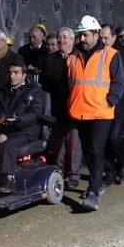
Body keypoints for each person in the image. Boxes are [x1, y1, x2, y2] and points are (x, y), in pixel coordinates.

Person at [67, 15, 124, 210]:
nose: (81, 39)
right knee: (88, 151)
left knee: (96, 149)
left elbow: (120, 82)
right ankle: (97, 182)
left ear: (95, 34)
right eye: (80, 36)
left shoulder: (111, 54)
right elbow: (70, 83)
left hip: (101, 112)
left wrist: (110, 101)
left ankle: (93, 191)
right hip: (80, 111)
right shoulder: (73, 56)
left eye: (85, 35)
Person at [0, 62, 45, 194]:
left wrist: (18, 120)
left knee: (7, 145)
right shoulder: (3, 91)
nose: (11, 76)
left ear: (24, 75)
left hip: (26, 131)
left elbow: (35, 114)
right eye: (10, 72)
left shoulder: (35, 92)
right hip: (6, 130)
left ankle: (10, 179)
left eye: (16, 73)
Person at [100, 25, 124, 184]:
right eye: (101, 38)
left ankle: (123, 163)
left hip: (120, 106)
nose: (103, 41)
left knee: (115, 137)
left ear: (114, 38)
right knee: (103, 140)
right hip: (101, 105)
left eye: (106, 38)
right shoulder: (98, 55)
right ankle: (109, 171)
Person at [43, 27, 82, 189]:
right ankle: (59, 170)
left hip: (75, 105)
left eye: (65, 37)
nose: (61, 40)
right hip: (57, 107)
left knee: (74, 140)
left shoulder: (79, 57)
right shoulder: (50, 59)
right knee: (58, 141)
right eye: (59, 37)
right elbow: (47, 82)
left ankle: (74, 173)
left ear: (73, 40)